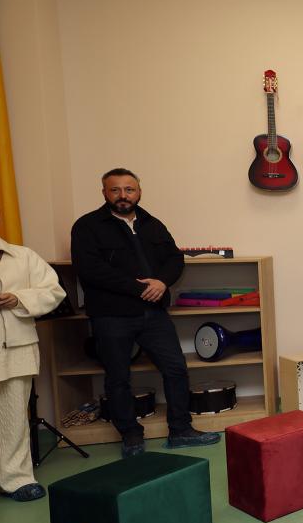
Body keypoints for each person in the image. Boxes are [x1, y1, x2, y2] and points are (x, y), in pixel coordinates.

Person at [70, 168, 221, 456]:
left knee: (176, 369)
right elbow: (90, 270)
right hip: (111, 315)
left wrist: (162, 282)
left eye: (129, 189)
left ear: (139, 192)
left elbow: (175, 259)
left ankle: (180, 430)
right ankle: (131, 435)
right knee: (118, 377)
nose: (123, 195)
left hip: (153, 313)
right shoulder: (87, 226)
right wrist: (139, 288)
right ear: (104, 193)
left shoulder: (152, 224)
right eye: (115, 190)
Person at [0, 227, 65, 502]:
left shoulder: (23, 256)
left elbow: (54, 291)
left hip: (17, 347)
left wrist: (19, 299)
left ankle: (16, 479)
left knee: (13, 415)